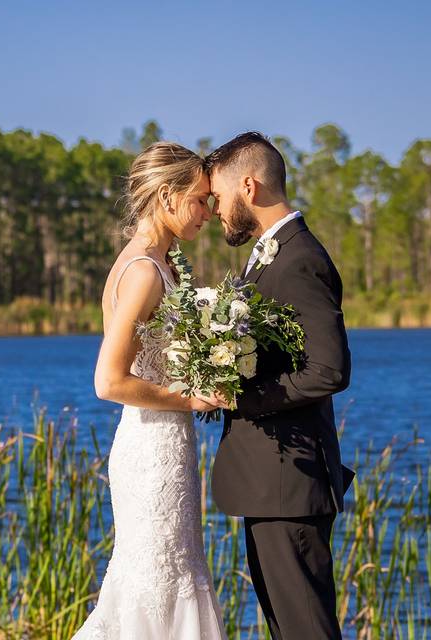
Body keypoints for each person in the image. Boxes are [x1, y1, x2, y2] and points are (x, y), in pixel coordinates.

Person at [72, 142, 228, 639]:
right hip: (151, 451)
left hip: (164, 442)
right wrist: (191, 399)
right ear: (166, 196)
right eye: (201, 199)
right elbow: (109, 380)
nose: (209, 211)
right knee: (160, 583)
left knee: (170, 577)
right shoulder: (142, 271)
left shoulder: (162, 263)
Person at [206, 132, 354, 640]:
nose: (217, 211)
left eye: (220, 197)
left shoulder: (299, 259)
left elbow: (329, 370)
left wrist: (242, 398)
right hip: (272, 483)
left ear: (248, 186)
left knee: (306, 630)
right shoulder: (271, 254)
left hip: (291, 483)